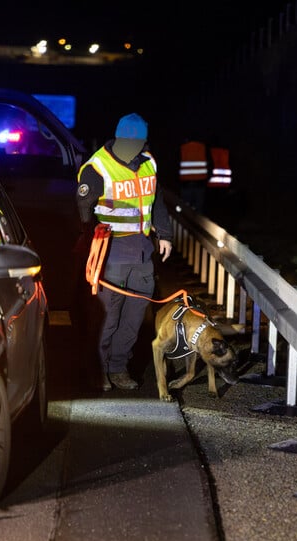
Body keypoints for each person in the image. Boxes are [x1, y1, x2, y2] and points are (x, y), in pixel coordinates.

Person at [76, 113, 173, 391]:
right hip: (112, 249)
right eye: (135, 141)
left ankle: (119, 368)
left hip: (142, 248)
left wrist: (164, 235)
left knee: (134, 315)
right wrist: (91, 241)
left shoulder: (149, 163)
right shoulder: (97, 167)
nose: (140, 146)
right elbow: (83, 210)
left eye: (141, 141)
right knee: (108, 315)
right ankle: (100, 370)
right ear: (121, 139)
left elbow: (157, 202)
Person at [179, 137, 208, 213]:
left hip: (186, 183)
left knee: (185, 208)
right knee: (199, 210)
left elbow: (176, 164)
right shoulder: (203, 147)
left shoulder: (182, 148)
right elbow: (209, 165)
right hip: (200, 183)